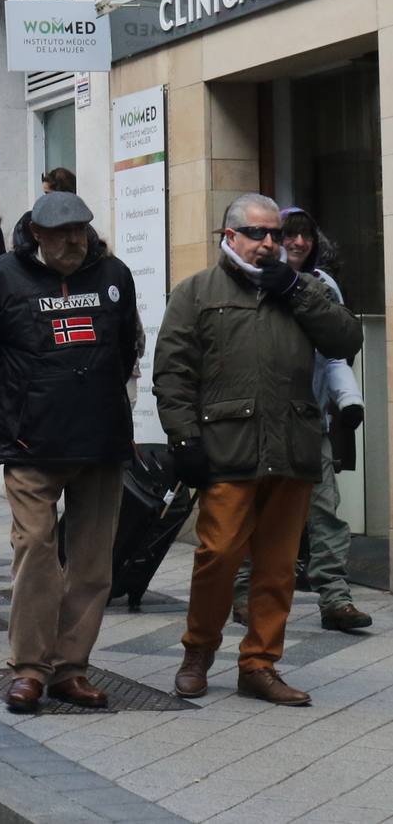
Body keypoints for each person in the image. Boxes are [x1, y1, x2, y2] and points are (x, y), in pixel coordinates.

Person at [157, 194, 362, 706]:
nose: (270, 243)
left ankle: (259, 664)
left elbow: (346, 340)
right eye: (257, 233)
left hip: (291, 449)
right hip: (228, 449)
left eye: (275, 234)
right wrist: (184, 439)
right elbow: (173, 372)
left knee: (276, 568)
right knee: (218, 556)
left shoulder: (304, 289)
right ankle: (198, 653)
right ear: (230, 237)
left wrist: (297, 289)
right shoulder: (197, 292)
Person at [0, 191, 139, 715]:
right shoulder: (1, 278)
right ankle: (29, 670)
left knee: (91, 560)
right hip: (30, 441)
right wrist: (10, 411)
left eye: (80, 231)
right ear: (36, 233)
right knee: (36, 549)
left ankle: (71, 669)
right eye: (62, 234)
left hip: (100, 439)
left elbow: (126, 345)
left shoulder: (114, 275)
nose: (74, 242)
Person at [230, 208, 369, 634]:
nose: (297, 242)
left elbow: (334, 351)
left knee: (325, 507)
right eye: (288, 233)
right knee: (252, 507)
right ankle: (242, 591)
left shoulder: (323, 287)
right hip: (258, 420)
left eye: (305, 234)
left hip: (310, 419)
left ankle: (335, 596)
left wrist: (348, 401)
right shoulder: (247, 283)